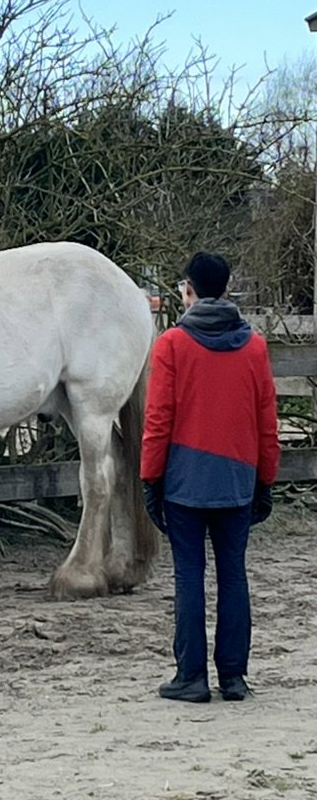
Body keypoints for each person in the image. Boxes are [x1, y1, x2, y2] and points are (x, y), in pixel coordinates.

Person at [141, 252, 279, 703]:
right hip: (238, 478)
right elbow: (266, 421)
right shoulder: (255, 347)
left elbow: (158, 419)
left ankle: (191, 676)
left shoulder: (172, 346)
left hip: (184, 480)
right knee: (233, 575)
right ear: (227, 286)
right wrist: (266, 480)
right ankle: (234, 677)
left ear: (188, 289)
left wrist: (150, 478)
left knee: (189, 575)